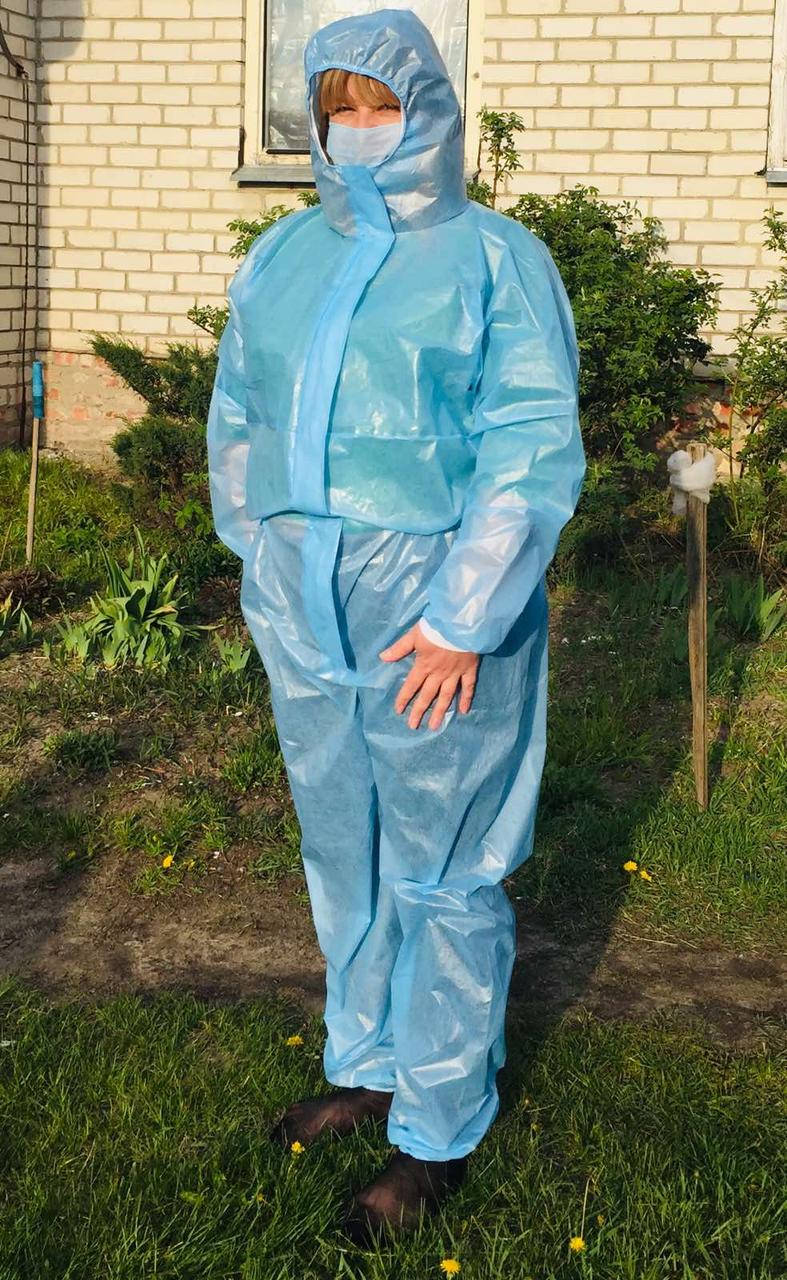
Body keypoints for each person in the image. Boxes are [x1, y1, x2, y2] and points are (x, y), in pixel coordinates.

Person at [206, 6, 586, 1247]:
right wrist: (264, 555)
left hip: (432, 607)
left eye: (383, 104)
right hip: (303, 602)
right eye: (339, 110)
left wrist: (464, 614)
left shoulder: (495, 259)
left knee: (444, 864)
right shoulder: (281, 254)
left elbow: (528, 443)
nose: (362, 128)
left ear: (429, 109)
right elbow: (239, 414)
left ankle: (435, 1125)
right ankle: (367, 1064)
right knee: (347, 855)